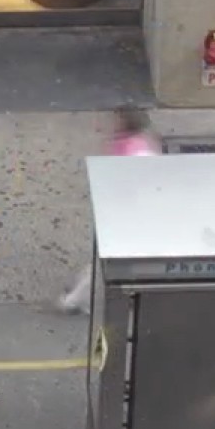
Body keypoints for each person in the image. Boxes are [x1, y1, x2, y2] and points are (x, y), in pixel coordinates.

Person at [57, 107, 163, 315]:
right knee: (106, 261)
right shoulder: (131, 145)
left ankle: (75, 300)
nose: (111, 123)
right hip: (125, 212)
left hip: (128, 213)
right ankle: (78, 299)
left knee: (105, 262)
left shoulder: (137, 151)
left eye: (116, 119)